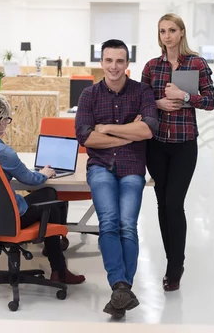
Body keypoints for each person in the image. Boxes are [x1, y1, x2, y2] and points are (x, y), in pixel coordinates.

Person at [75, 39, 159, 319]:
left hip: (133, 167)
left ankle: (121, 290)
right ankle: (120, 286)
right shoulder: (88, 95)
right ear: (101, 62)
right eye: (109, 61)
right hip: (99, 167)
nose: (114, 67)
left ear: (127, 64)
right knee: (109, 221)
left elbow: (147, 131)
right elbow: (86, 137)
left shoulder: (142, 91)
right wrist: (128, 132)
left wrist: (109, 129)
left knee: (127, 225)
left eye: (119, 61)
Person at [0, 94, 85, 285]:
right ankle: (58, 268)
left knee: (48, 196)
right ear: (2, 121)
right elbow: (30, 181)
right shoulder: (4, 152)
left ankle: (55, 248)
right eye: (8, 120)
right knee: (51, 199)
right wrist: (44, 173)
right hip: (9, 218)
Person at [141, 13, 214, 292]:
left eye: (172, 30)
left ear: (182, 32)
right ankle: (171, 259)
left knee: (174, 204)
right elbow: (143, 103)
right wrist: (158, 102)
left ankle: (176, 265)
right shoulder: (151, 67)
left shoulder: (196, 63)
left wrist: (184, 96)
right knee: (162, 204)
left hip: (184, 144)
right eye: (162, 31)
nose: (167, 36)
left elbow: (210, 102)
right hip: (157, 143)